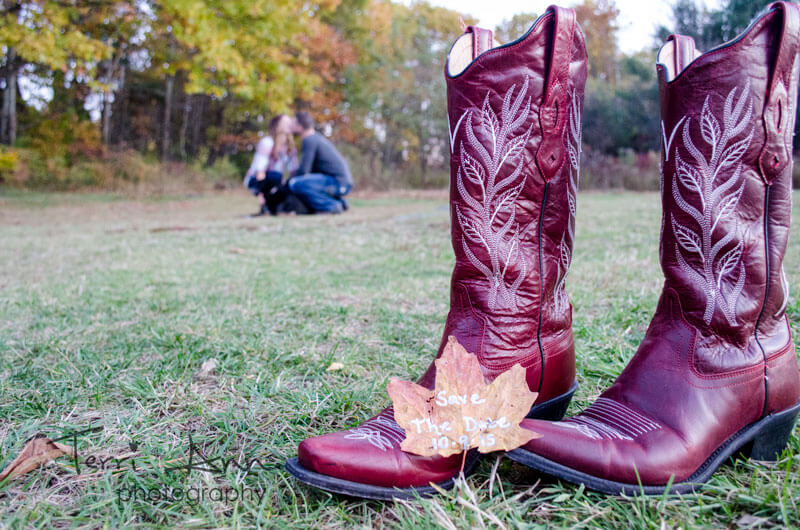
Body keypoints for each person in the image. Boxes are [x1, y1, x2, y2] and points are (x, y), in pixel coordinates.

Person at [288, 111, 353, 214]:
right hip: (342, 183)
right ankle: (340, 202)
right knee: (302, 182)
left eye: (293, 123)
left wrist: (288, 182)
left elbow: (304, 171)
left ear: (300, 126)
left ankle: (331, 206)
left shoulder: (309, 140)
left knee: (295, 183)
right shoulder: (316, 138)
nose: (290, 126)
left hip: (337, 183)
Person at [243, 114, 298, 216]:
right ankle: (265, 204)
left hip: (276, 180)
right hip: (256, 180)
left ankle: (275, 207)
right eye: (286, 122)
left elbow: (294, 171)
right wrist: (261, 195)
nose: (290, 123)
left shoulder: (290, 148)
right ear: (277, 125)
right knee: (276, 176)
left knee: (287, 184)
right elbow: (260, 172)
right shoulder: (267, 142)